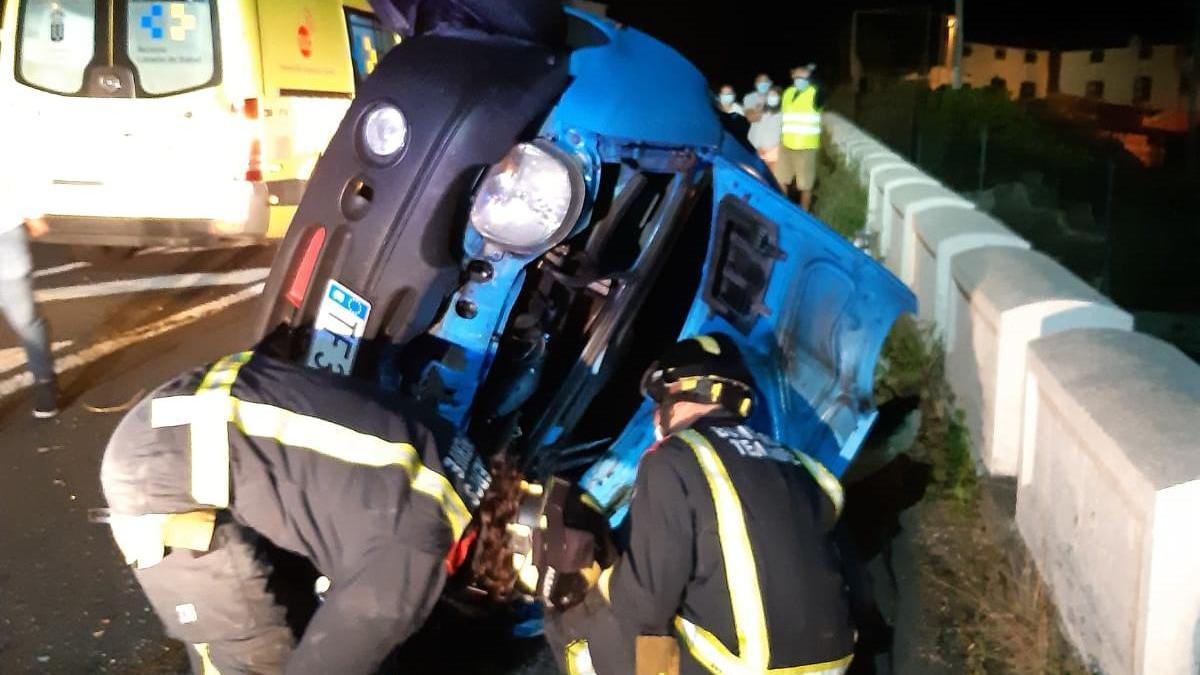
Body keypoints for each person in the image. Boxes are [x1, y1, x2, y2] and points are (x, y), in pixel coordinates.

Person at [96, 349, 502, 675]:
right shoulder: (411, 555)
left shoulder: (457, 453)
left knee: (296, 610)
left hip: (193, 407)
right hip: (156, 476)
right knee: (253, 657)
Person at [540, 335, 857, 675]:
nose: (653, 418)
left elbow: (646, 607)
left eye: (656, 401)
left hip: (741, 667)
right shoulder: (800, 465)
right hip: (834, 661)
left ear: (677, 392)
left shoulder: (675, 458)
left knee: (575, 626)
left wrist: (595, 587)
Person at [0, 130, 58, 418]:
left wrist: (32, 211)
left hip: (5, 233)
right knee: (26, 319)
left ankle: (45, 381)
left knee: (25, 319)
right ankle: (45, 383)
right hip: (7, 232)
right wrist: (34, 213)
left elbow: (15, 167)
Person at [778, 63, 823, 211]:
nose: (800, 80)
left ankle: (803, 216)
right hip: (786, 145)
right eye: (797, 77)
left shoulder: (815, 93)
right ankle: (783, 210)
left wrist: (810, 71)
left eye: (804, 78)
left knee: (805, 185)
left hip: (805, 147)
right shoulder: (787, 93)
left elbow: (822, 86)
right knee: (781, 180)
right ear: (792, 77)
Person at [748, 86, 784, 176]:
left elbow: (787, 135)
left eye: (774, 95)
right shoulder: (760, 114)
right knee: (758, 180)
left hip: (776, 156)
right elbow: (753, 133)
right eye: (769, 95)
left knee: (776, 182)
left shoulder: (784, 115)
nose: (771, 98)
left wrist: (774, 151)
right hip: (758, 155)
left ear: (780, 98)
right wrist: (758, 147)